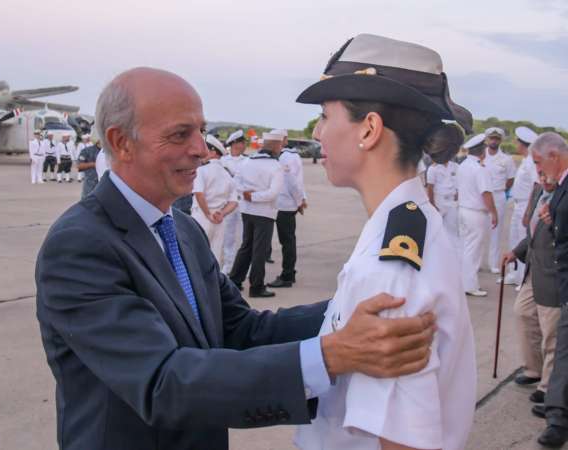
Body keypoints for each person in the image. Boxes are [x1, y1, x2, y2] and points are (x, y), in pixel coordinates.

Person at [36, 66, 436, 450]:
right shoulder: (81, 245)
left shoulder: (181, 230)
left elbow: (243, 331)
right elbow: (163, 383)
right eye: (180, 135)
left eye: (201, 132)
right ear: (121, 142)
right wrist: (331, 355)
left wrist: (350, 306)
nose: (201, 151)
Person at [293, 33, 476, 450]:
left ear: (369, 129)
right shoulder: (409, 226)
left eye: (325, 115)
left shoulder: (388, 267)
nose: (318, 132)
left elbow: (403, 441)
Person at [502, 175, 560, 408]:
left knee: (552, 331)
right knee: (523, 312)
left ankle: (549, 387)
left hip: (555, 273)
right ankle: (534, 369)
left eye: (549, 175)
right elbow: (533, 234)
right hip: (535, 268)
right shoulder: (538, 191)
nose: (545, 179)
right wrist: (516, 251)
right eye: (540, 173)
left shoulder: (563, 196)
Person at [529, 132, 568, 447]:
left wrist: (554, 217)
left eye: (540, 162)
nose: (539, 171)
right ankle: (557, 406)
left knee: (563, 349)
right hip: (562, 281)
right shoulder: (560, 187)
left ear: (554, 154)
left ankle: (558, 417)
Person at [229, 131, 284, 297]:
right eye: (280, 146)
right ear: (276, 146)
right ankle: (256, 287)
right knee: (259, 250)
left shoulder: (247, 161)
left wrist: (247, 194)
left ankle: (234, 282)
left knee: (246, 246)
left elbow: (235, 183)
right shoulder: (276, 166)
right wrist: (253, 196)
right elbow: (273, 193)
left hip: (247, 210)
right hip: (264, 212)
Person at [458, 133, 498, 297]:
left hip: (462, 210)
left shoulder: (463, 166)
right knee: (473, 250)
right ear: (483, 151)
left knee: (465, 248)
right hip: (476, 213)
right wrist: (494, 212)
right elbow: (486, 194)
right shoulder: (480, 169)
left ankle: (462, 282)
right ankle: (470, 285)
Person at [268, 129, 307, 288]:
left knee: (287, 242)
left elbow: (292, 182)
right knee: (289, 240)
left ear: (283, 140)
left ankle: (287, 276)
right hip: (287, 203)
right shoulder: (292, 155)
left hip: (284, 205)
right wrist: (301, 198)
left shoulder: (285, 157)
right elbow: (299, 181)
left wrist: (299, 201)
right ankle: (289, 273)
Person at [191, 134, 238, 266]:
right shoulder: (227, 174)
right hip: (219, 219)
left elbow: (199, 194)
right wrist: (221, 213)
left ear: (212, 152)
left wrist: (208, 214)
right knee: (215, 255)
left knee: (196, 256)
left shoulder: (202, 170)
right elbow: (234, 202)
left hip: (202, 215)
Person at [504, 126, 539, 286]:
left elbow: (536, 185)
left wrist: (528, 212)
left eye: (517, 142)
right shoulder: (526, 160)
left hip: (525, 205)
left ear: (522, 144)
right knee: (514, 239)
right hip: (518, 204)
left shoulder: (531, 161)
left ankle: (522, 278)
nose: (515, 145)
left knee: (522, 240)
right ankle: (514, 274)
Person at [483, 127, 516, 274]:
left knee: (496, 231)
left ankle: (493, 264)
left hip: (498, 195)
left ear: (500, 140)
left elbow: (510, 179)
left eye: (496, 138)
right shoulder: (481, 156)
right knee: (480, 229)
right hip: (482, 196)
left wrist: (501, 188)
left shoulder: (506, 159)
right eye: (492, 138)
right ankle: (476, 263)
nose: (494, 141)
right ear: (487, 139)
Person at [221, 129, 248, 273]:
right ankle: (228, 265)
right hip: (229, 203)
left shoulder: (248, 161)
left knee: (246, 236)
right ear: (235, 144)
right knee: (228, 236)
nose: (244, 145)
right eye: (242, 143)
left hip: (244, 202)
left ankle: (245, 267)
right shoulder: (223, 161)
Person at [426, 155, 459, 239]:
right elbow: (430, 188)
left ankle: (452, 250)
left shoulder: (455, 166)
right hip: (438, 201)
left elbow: (460, 182)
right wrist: (433, 206)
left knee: (453, 230)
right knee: (437, 231)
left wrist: (458, 194)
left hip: (452, 202)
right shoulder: (433, 169)